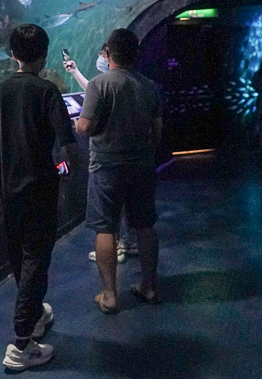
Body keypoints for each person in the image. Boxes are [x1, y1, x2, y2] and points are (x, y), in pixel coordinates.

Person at [0, 24, 79, 371]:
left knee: (18, 259)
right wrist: (66, 178)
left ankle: (36, 314)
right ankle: (22, 345)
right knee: (36, 261)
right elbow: (67, 146)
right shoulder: (47, 91)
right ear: (44, 54)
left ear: (12, 55)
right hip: (41, 188)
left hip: (8, 193)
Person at [75, 28, 163, 313]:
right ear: (135, 54)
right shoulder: (149, 86)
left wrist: (79, 124)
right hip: (141, 163)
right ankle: (149, 286)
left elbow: (85, 126)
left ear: (108, 53)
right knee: (144, 225)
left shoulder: (99, 84)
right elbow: (157, 130)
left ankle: (110, 295)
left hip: (106, 164)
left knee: (105, 227)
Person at [64, 45, 137, 264]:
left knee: (106, 215)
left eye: (102, 53)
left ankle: (117, 247)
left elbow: (87, 121)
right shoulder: (139, 83)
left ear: (109, 55)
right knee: (131, 206)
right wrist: (75, 71)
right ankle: (129, 244)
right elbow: (94, 89)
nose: (100, 58)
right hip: (136, 157)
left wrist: (78, 124)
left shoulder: (106, 82)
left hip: (108, 156)